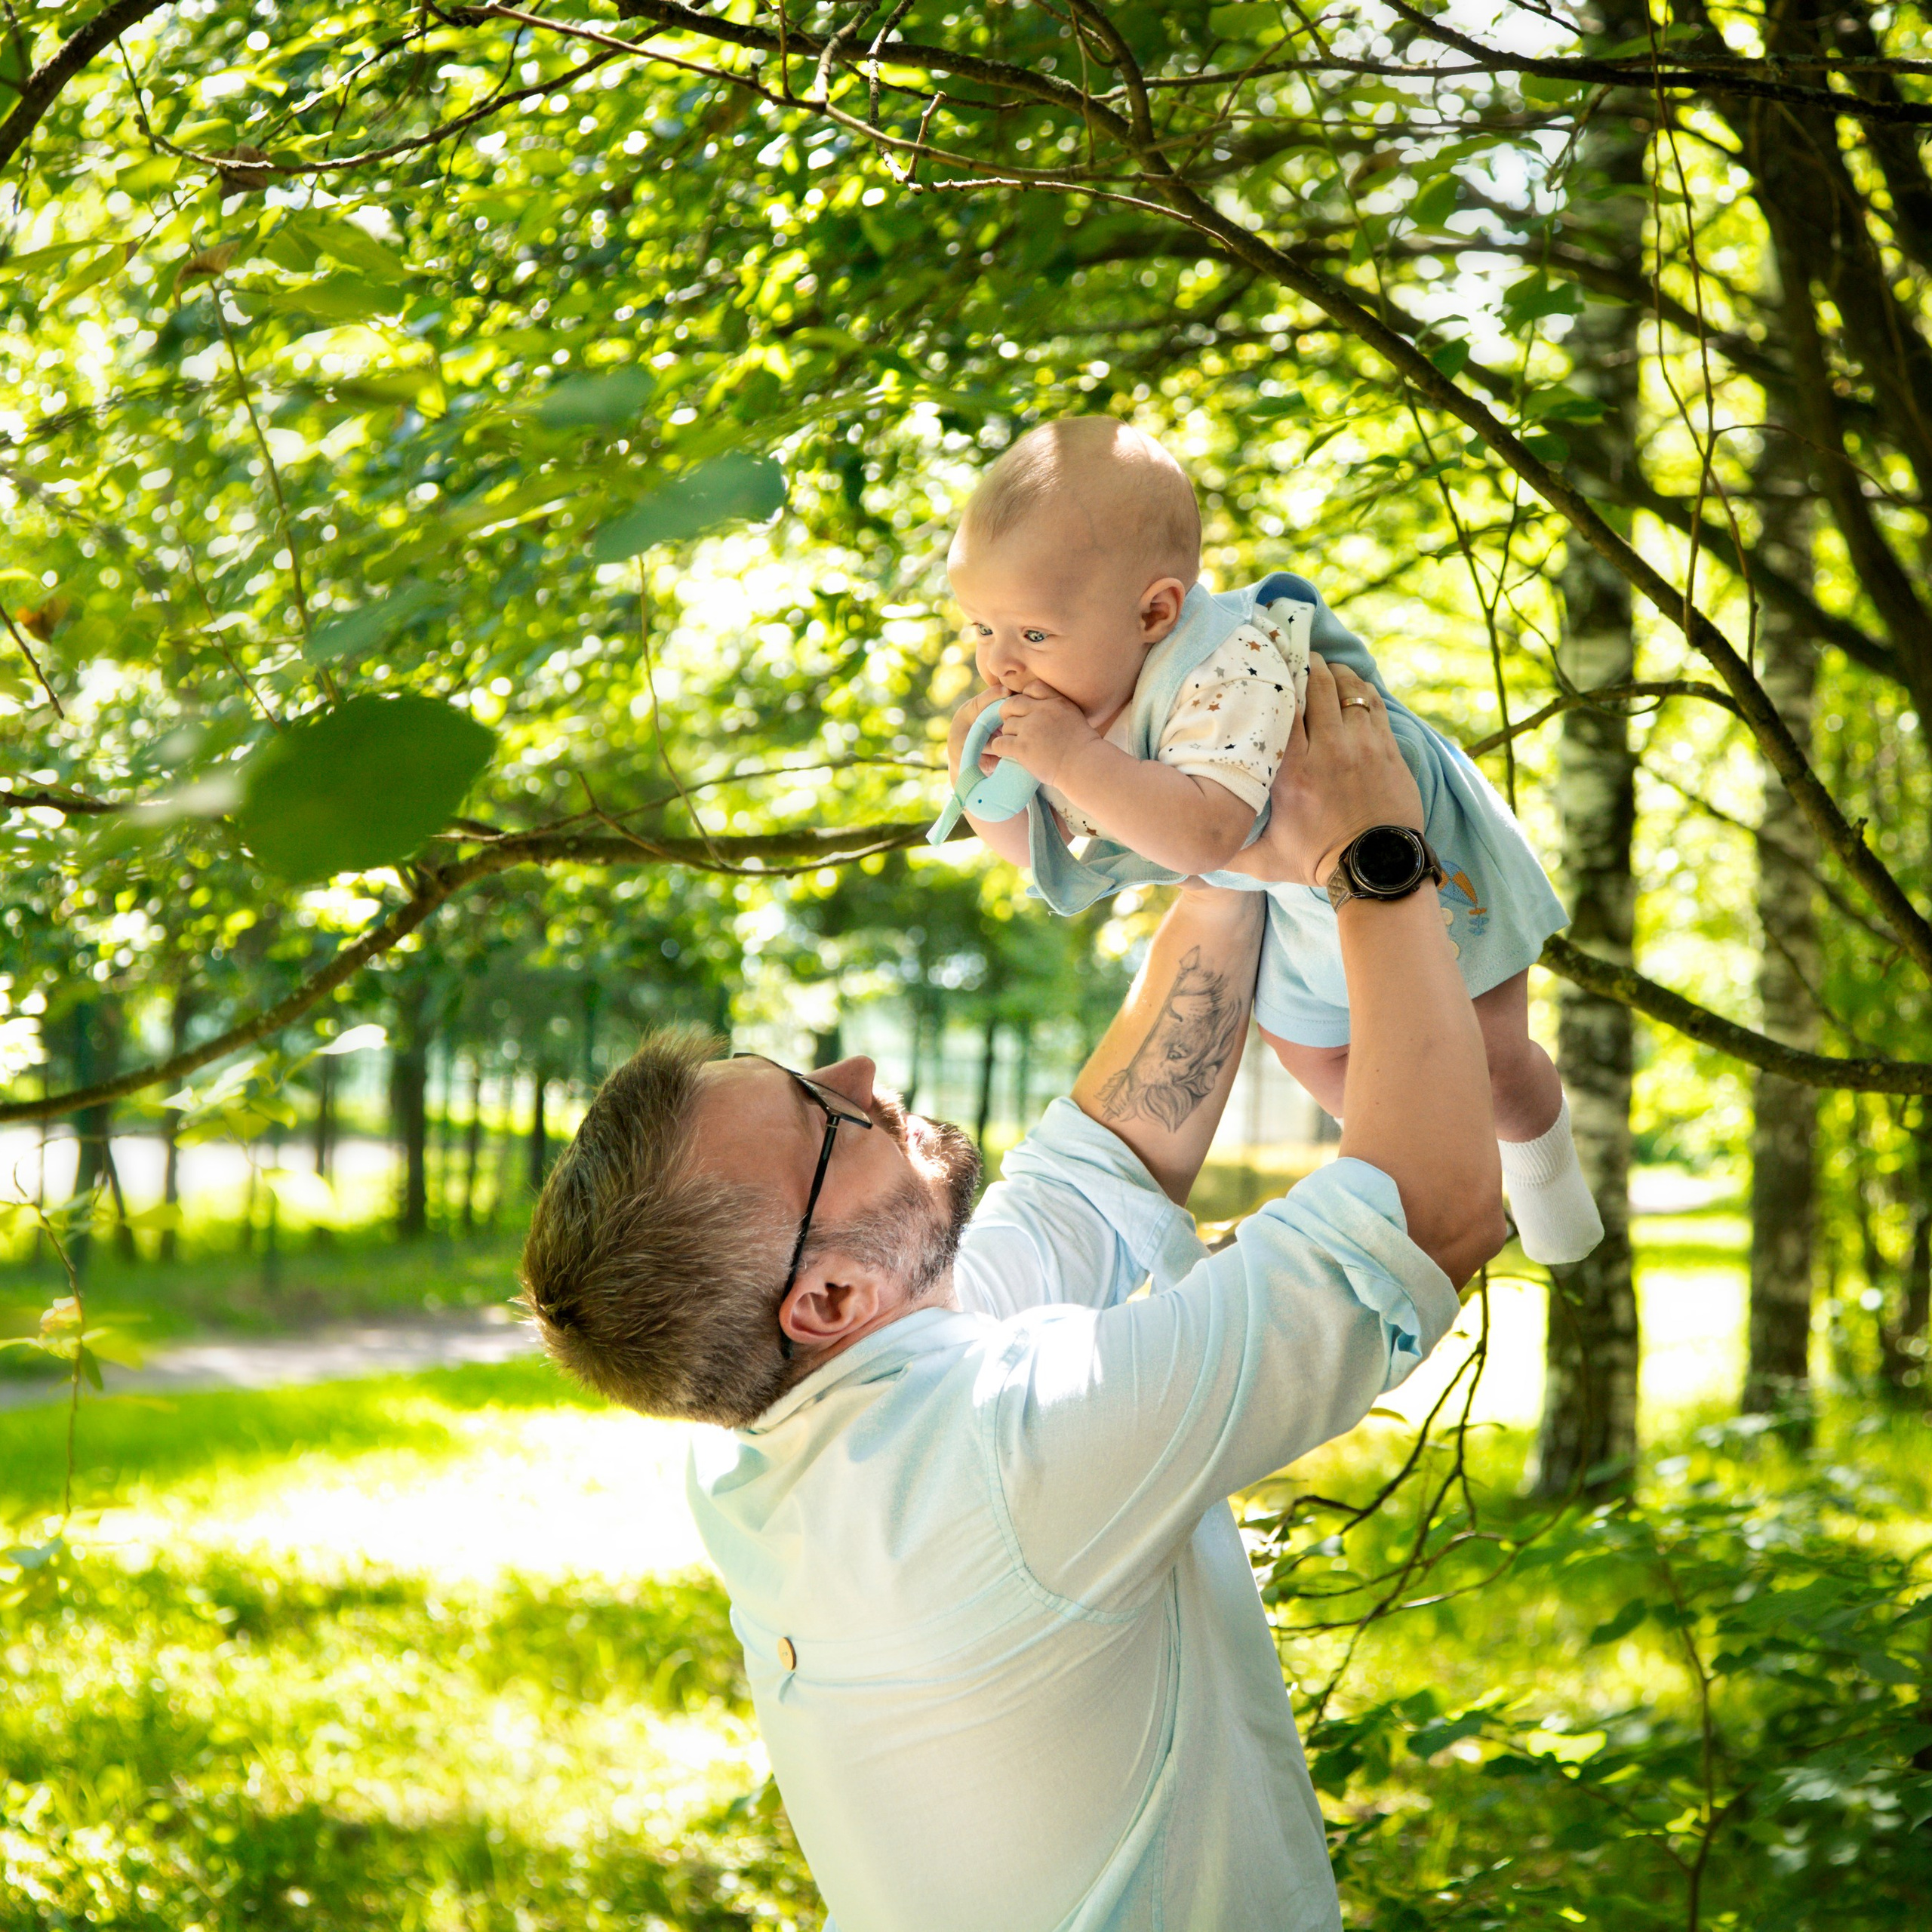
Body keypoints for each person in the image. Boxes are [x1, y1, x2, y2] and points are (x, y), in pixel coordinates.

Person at [518, 655, 1509, 1931]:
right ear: (823, 1299)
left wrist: (1204, 810)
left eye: (796, 1064)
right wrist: (1377, 852)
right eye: (824, 1115)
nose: (862, 1067)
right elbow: (1432, 1212)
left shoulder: (789, 1439)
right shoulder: (1006, 1461)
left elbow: (1112, 1160)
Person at [935, 415, 1601, 1266]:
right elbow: (1054, 856)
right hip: (1300, 895)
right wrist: (986, 788)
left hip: (1418, 859)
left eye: (1030, 633)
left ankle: (1543, 1165)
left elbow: (1201, 833)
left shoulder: (1227, 664)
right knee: (1328, 1060)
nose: (1000, 666)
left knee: (1493, 1064)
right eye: (980, 630)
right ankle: (1411, 1181)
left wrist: (1070, 757)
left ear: (1155, 611)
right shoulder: (1092, 697)